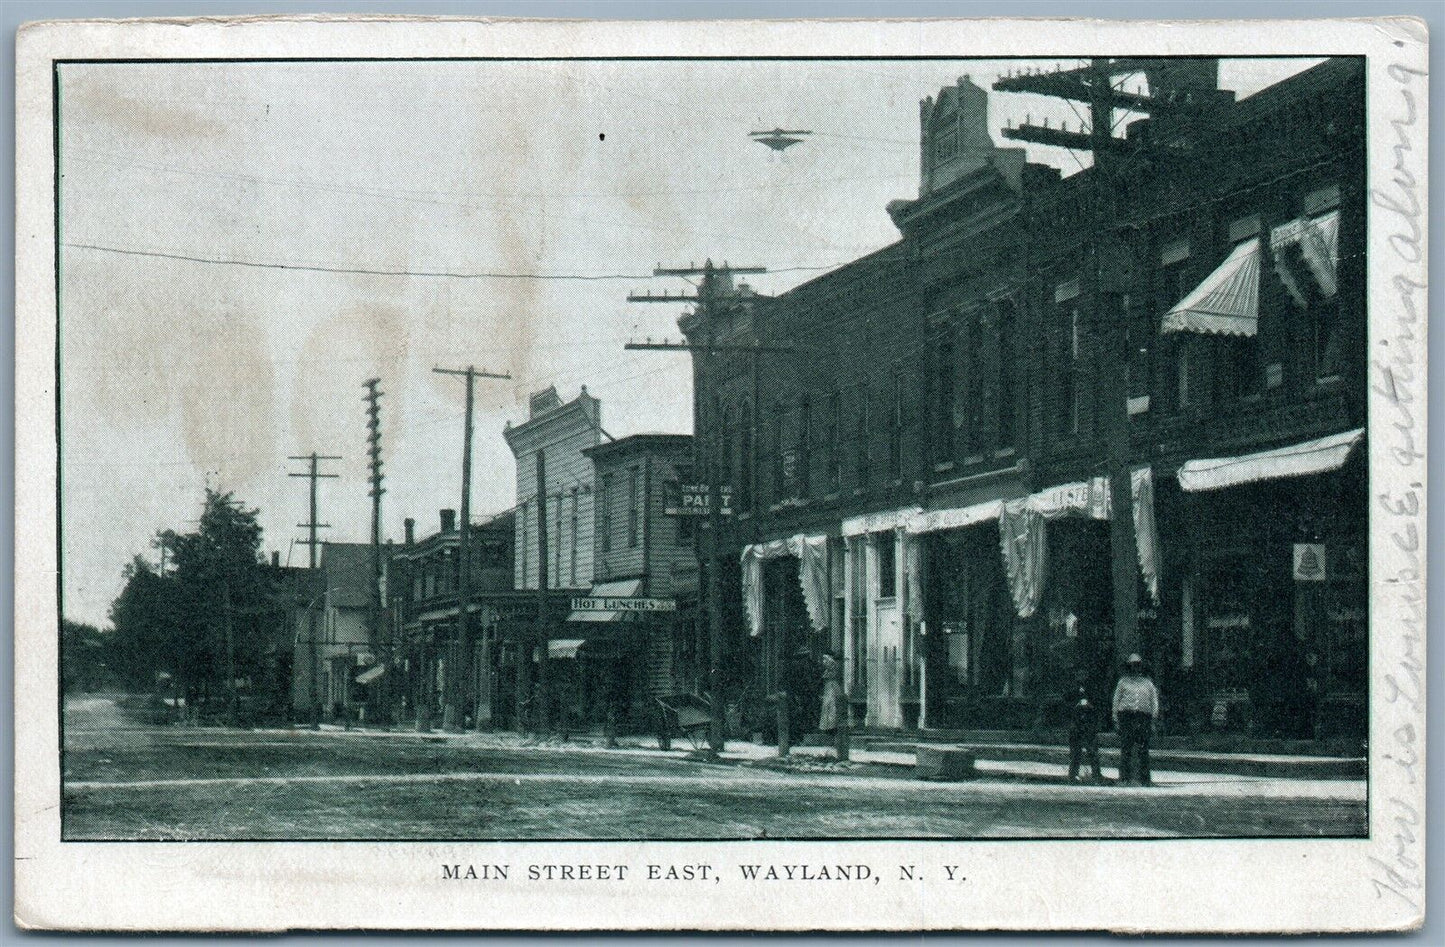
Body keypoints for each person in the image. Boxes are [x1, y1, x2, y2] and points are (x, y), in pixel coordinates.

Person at [1112, 654, 1160, 785]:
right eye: (1133, 665)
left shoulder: (1148, 683)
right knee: (1126, 747)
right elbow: (1116, 700)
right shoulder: (1123, 682)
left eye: (1138, 665)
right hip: (1126, 716)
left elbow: (1154, 700)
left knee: (1143, 748)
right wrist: (1115, 719)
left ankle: (1145, 779)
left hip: (1143, 716)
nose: (1135, 668)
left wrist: (1153, 718)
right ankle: (1124, 778)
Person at [1067, 684, 1102, 782]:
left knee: (1093, 752)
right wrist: (1076, 705)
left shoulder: (1093, 688)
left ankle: (1096, 775)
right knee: (1075, 753)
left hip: (1089, 724)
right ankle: (1073, 775)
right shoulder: (1071, 688)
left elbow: (1098, 705)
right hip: (1076, 723)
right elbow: (1066, 702)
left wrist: (1090, 705)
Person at [818, 651, 842, 734]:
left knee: (831, 705)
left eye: (825, 659)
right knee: (828, 705)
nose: (824, 661)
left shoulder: (832, 666)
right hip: (828, 687)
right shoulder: (829, 669)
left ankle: (831, 726)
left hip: (831, 687)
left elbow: (829, 676)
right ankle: (828, 726)